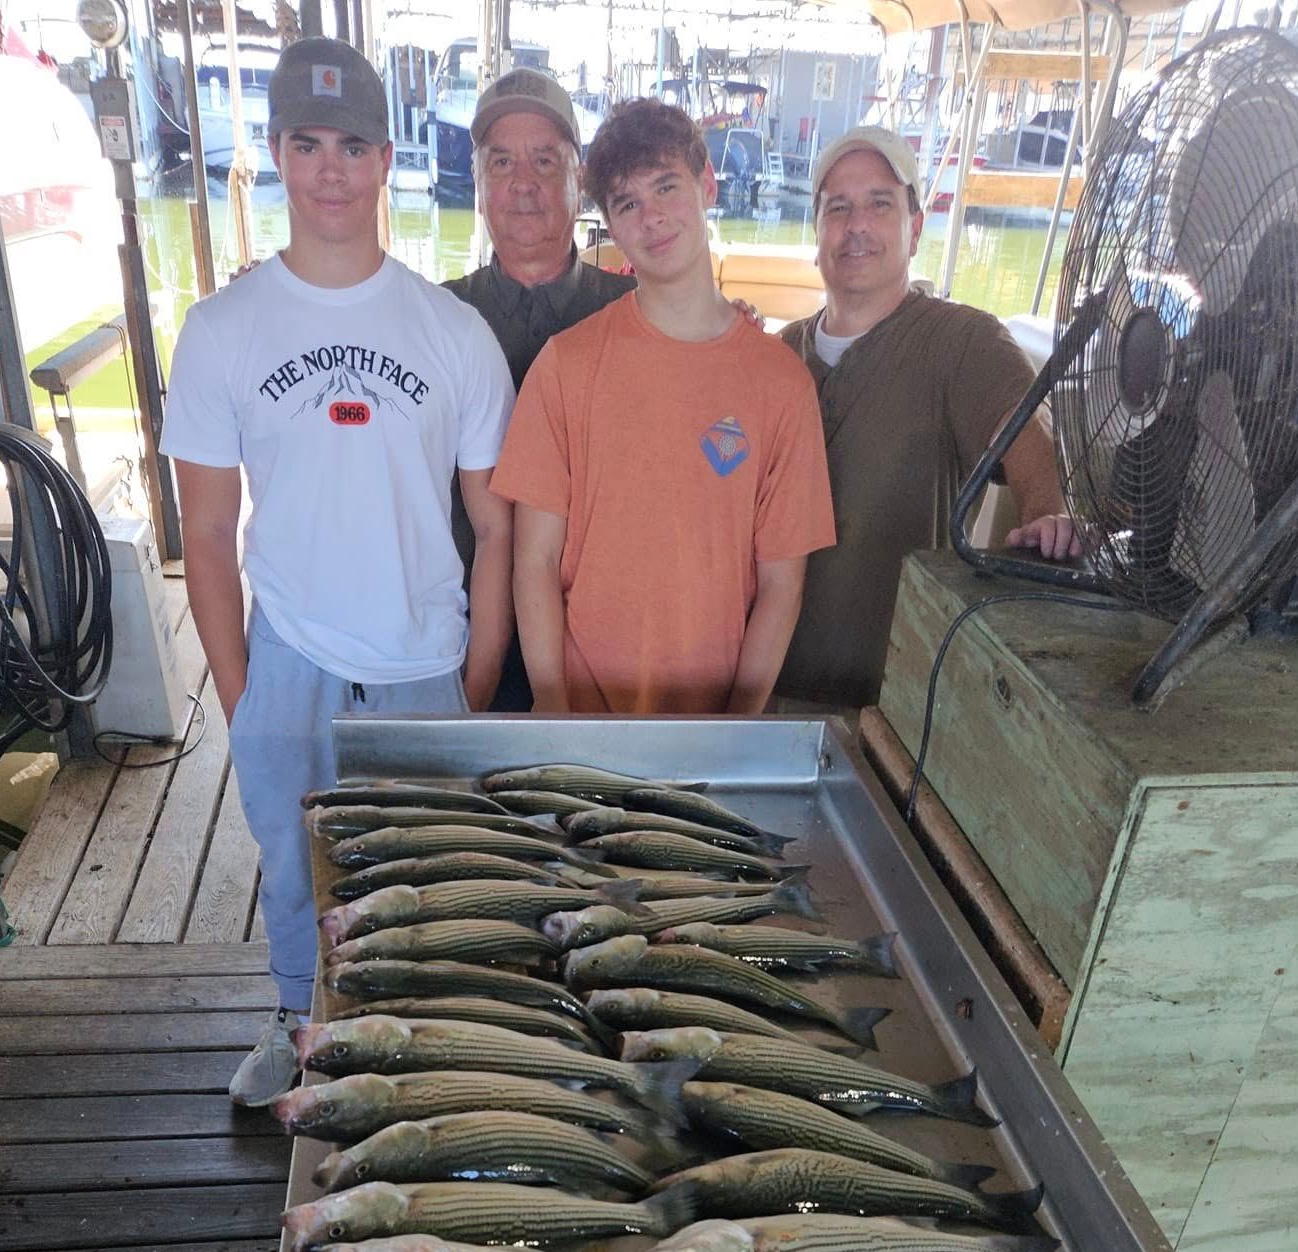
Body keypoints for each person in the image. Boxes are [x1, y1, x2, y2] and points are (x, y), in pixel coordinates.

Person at [161, 37, 516, 1106]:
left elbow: (495, 526)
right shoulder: (220, 330)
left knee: (430, 881)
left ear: (385, 160)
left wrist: (479, 672)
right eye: (307, 143)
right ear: (275, 153)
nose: (329, 168)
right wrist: (242, 693)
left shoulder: (455, 332)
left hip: (426, 658)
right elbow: (208, 533)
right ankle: (295, 1021)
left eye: (352, 145)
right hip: (292, 652)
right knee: (291, 865)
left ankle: (432, 1053)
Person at [490, 99, 835, 716]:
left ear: (707, 185)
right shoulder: (565, 365)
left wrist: (738, 727)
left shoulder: (783, 382)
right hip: (583, 723)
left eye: (667, 186)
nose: (652, 217)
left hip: (712, 727)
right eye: (627, 204)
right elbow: (534, 558)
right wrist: (553, 709)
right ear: (611, 227)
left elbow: (783, 584)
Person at [774, 126, 1080, 712]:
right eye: (837, 207)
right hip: (759, 693)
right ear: (815, 232)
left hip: (888, 707)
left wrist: (1049, 514)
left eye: (880, 203)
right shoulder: (777, 353)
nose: (856, 224)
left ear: (915, 228)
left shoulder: (964, 342)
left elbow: (1028, 446)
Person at [442, 67, 635, 709]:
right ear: (477, 184)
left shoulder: (647, 316)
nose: (523, 182)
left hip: (606, 666)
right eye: (501, 161)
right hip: (455, 656)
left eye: (546, 160)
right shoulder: (429, 321)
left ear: (580, 182)